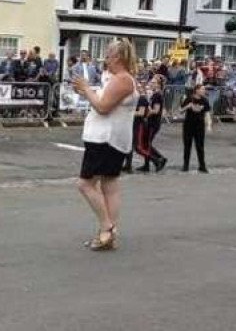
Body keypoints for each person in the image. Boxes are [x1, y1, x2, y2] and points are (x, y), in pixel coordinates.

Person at [72, 38, 138, 251]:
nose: (105, 59)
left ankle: (106, 227)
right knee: (109, 184)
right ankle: (109, 233)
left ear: (118, 57)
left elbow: (102, 107)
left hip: (105, 139)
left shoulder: (123, 79)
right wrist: (85, 91)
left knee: (85, 184)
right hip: (110, 138)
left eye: (108, 55)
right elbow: (101, 99)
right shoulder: (117, 78)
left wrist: (86, 88)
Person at [137, 76, 168, 172]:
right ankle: (147, 164)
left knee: (147, 144)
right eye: (151, 82)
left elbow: (156, 110)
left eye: (154, 83)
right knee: (146, 144)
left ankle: (159, 159)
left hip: (153, 123)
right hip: (150, 122)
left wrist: (147, 114)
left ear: (158, 85)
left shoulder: (157, 95)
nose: (151, 84)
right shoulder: (154, 95)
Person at [181, 84, 211, 173]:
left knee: (200, 147)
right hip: (188, 125)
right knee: (187, 146)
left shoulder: (205, 100)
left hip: (200, 126)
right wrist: (188, 106)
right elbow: (180, 110)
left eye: (204, 89)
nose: (204, 91)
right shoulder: (189, 99)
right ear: (197, 90)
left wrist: (208, 125)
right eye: (202, 89)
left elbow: (207, 113)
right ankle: (185, 165)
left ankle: (202, 166)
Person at [123, 87, 149, 174]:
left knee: (137, 146)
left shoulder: (141, 99)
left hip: (139, 124)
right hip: (131, 123)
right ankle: (128, 165)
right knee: (129, 145)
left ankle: (156, 160)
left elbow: (141, 113)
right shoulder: (133, 99)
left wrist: (129, 112)